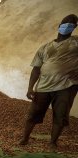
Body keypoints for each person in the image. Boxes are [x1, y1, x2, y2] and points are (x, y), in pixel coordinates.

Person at [19, 14, 78, 149]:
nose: (67, 25)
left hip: (66, 86)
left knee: (61, 115)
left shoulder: (75, 42)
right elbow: (36, 69)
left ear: (75, 27)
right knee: (33, 114)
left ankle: (52, 142)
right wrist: (30, 88)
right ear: (59, 26)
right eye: (65, 23)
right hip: (43, 87)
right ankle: (25, 138)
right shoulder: (45, 47)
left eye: (72, 24)